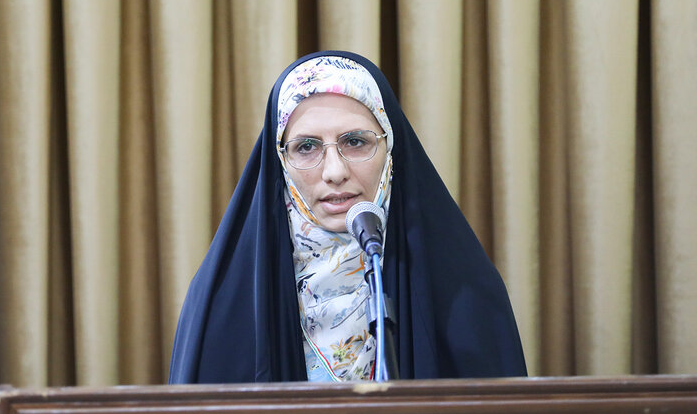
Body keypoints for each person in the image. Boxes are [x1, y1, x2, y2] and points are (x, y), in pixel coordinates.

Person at [168, 51, 526, 384]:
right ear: (280, 161)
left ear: (390, 148)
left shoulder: (466, 291)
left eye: (355, 142)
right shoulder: (218, 306)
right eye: (306, 147)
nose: (335, 172)